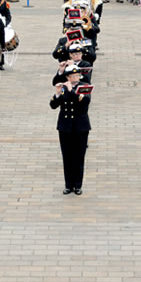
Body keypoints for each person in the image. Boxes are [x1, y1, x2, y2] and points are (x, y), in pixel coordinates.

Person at [50, 65, 91, 195]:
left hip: (80, 126)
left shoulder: (84, 86)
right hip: (65, 126)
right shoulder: (64, 88)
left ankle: (78, 185)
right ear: (67, 77)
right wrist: (57, 94)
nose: (75, 78)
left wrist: (70, 90)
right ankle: (68, 185)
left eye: (77, 75)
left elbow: (84, 102)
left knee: (79, 157)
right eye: (72, 76)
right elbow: (53, 105)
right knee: (67, 157)